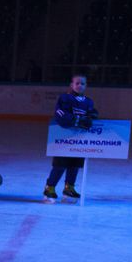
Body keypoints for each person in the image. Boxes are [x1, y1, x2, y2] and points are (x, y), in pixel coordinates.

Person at [45, 73, 96, 201]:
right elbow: (60, 114)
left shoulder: (88, 101)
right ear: (71, 85)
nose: (79, 85)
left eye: (82, 83)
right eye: (77, 83)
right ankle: (50, 187)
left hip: (79, 139)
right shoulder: (65, 98)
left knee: (75, 164)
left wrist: (92, 117)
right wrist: (78, 120)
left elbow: (91, 114)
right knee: (60, 164)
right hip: (64, 138)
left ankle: (69, 188)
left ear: (86, 85)